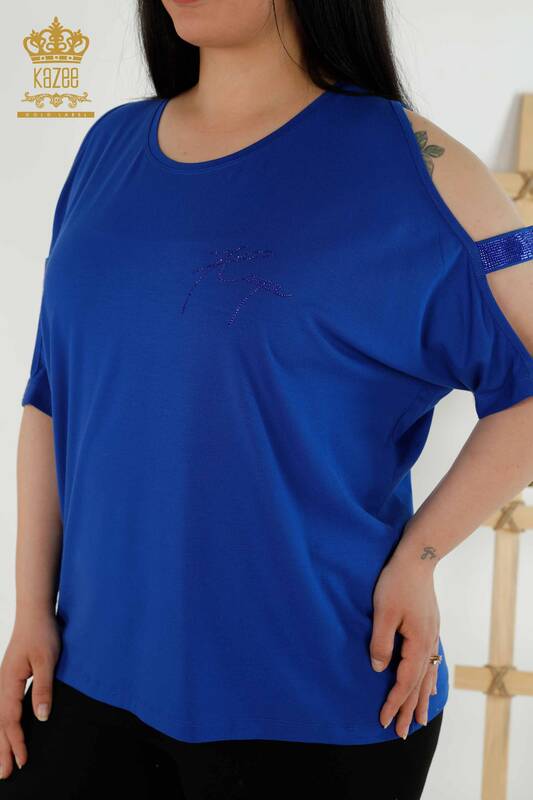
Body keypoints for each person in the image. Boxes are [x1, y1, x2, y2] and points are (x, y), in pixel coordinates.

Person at [2, 0, 533, 797]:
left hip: (315, 696)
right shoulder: (108, 145)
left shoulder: (415, 164)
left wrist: (420, 555)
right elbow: (51, 394)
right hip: (81, 679)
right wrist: (29, 610)